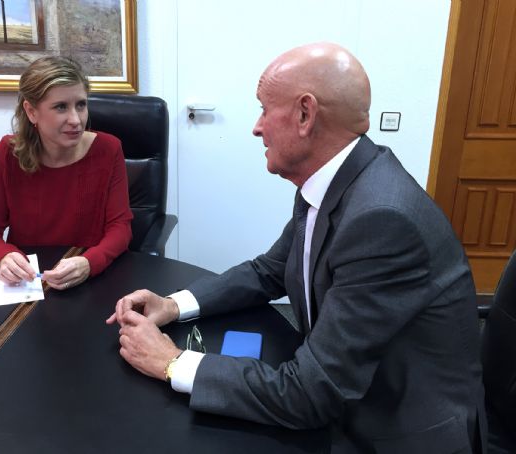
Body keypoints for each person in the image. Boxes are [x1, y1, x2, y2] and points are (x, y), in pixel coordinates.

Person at [107, 43, 486, 453]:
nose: (257, 127)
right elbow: (269, 270)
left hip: (393, 429)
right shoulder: (335, 180)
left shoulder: (382, 219)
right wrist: (173, 304)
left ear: (305, 114)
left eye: (264, 109)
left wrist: (172, 362)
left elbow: (311, 394)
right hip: (350, 390)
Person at [0, 56, 132, 290]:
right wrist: (3, 256)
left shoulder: (109, 149)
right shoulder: (8, 154)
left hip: (88, 278)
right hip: (28, 283)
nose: (76, 120)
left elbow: (121, 227)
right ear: (31, 111)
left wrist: (89, 262)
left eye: (81, 105)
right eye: (60, 107)